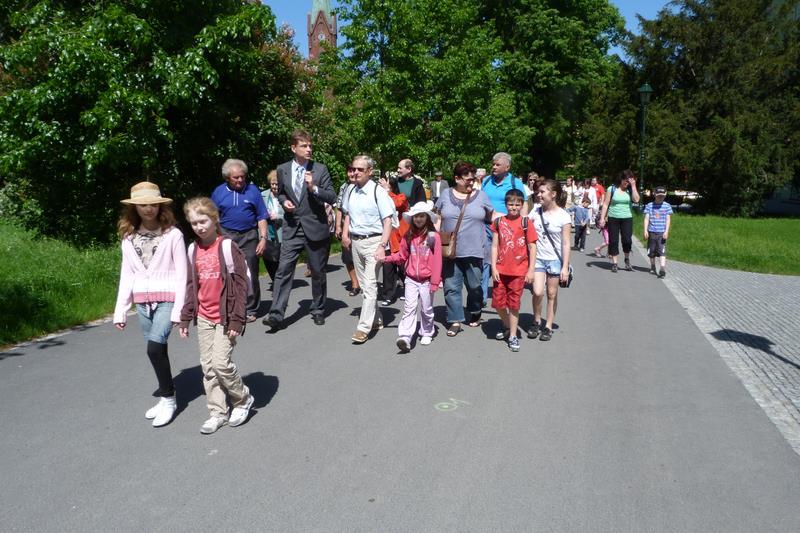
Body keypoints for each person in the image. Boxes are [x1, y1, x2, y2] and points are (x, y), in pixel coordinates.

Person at [179, 197, 255, 435]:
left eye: (203, 221)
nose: (199, 227)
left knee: (221, 364)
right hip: (203, 316)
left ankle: (242, 399)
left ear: (215, 219)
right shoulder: (192, 249)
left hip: (225, 316)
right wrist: (185, 316)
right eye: (194, 223)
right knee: (208, 368)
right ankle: (217, 412)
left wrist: (236, 318)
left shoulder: (227, 247)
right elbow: (192, 285)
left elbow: (241, 284)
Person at [114, 181, 186, 428]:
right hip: (142, 302)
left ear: (159, 205)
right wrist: (121, 310)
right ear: (135, 208)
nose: (148, 209)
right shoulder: (128, 238)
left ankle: (169, 398)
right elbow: (127, 275)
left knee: (153, 349)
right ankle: (167, 395)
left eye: (152, 204)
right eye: (142, 205)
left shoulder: (173, 234)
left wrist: (179, 309)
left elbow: (182, 273)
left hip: (167, 299)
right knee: (160, 349)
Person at [264, 130, 337, 328]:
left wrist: (313, 188)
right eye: (304, 146)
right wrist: (284, 201)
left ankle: (318, 308)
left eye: (310, 145)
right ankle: (276, 313)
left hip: (315, 228)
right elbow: (280, 194)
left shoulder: (320, 169)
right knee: (283, 270)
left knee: (318, 272)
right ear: (293, 148)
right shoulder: (282, 169)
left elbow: (332, 196)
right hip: (292, 228)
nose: (309, 149)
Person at [342, 155, 396, 344]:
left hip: (374, 242)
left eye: (360, 169)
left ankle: (363, 328)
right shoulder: (350, 190)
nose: (355, 172)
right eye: (353, 168)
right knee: (365, 285)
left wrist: (382, 245)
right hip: (356, 242)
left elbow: (388, 220)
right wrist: (345, 234)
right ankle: (377, 319)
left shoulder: (378, 192)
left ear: (369, 172)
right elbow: (347, 214)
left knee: (371, 284)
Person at [435, 161, 494, 335]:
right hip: (450, 250)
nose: (471, 182)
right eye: (467, 179)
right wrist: (434, 238)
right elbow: (438, 218)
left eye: (473, 179)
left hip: (475, 249)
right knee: (451, 286)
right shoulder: (445, 194)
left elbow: (491, 216)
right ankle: (455, 320)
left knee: (475, 285)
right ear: (456, 178)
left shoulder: (481, 196)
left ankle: (475, 309)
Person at [380, 201, 442, 353]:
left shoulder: (434, 237)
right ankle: (405, 337)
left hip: (427, 281)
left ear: (427, 218)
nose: (418, 219)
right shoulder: (408, 236)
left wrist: (435, 281)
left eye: (421, 216)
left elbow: (438, 261)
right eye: (415, 216)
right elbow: (401, 257)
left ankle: (427, 331)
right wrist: (386, 259)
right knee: (409, 308)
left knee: (426, 309)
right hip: (411, 279)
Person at [211, 159, 267, 322]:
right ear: (227, 178)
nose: (240, 180)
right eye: (236, 178)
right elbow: (213, 217)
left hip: (249, 235)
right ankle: (232, 306)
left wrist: (263, 238)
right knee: (228, 273)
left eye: (242, 177)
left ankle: (251, 308)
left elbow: (262, 217)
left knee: (250, 272)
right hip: (227, 235)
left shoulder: (253, 191)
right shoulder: (219, 192)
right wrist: (216, 238)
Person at [491, 189, 538, 352]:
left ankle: (512, 335)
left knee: (514, 305)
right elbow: (495, 246)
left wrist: (531, 270)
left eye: (517, 204)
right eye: (511, 204)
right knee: (497, 303)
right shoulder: (498, 222)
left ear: (522, 205)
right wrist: (493, 266)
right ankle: (507, 325)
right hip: (500, 270)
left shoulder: (526, 223)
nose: (514, 207)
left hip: (519, 271)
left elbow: (532, 247)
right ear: (505, 205)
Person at [480, 152, 528, 306]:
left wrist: (522, 225)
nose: (493, 167)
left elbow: (523, 204)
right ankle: (481, 297)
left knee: (504, 259)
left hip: (507, 229)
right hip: (486, 226)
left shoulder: (515, 183)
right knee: (485, 260)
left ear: (507, 166)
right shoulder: (486, 181)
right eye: (493, 164)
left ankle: (507, 291)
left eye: (497, 164)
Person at [528, 179, 572, 341]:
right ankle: (536, 320)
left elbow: (566, 243)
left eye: (542, 192)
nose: (538, 195)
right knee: (538, 291)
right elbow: (525, 227)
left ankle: (548, 326)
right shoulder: (535, 212)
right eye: (538, 192)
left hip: (555, 260)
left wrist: (565, 267)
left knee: (552, 294)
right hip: (538, 258)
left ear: (553, 195)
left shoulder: (563, 216)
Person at [598, 169, 640, 272]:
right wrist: (602, 218)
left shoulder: (630, 190)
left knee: (627, 240)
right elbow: (606, 204)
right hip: (613, 217)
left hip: (627, 218)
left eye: (629, 181)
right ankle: (615, 263)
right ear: (621, 179)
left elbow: (636, 200)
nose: (627, 183)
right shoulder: (611, 189)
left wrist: (633, 186)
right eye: (625, 180)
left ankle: (627, 259)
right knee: (613, 241)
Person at [378, 175, 409, 305]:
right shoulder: (379, 198)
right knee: (387, 268)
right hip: (387, 239)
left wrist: (386, 190)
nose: (384, 189)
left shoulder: (401, 196)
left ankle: (407, 291)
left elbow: (398, 204)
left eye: (388, 186)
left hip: (400, 239)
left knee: (403, 267)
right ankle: (388, 295)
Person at [335, 165, 361, 297]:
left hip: (361, 228)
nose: (352, 174)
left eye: (354, 171)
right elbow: (339, 208)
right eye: (349, 171)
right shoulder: (343, 187)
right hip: (347, 228)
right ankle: (355, 284)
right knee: (347, 257)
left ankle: (365, 282)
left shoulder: (365, 186)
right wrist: (338, 226)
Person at [260, 170, 284, 288]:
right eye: (273, 184)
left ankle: (280, 280)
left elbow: (293, 214)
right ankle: (275, 280)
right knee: (269, 258)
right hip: (267, 230)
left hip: (282, 231)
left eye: (277, 184)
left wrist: (279, 216)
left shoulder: (286, 196)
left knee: (281, 259)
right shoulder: (263, 195)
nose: (275, 186)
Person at [644, 186, 673, 278]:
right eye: (659, 196)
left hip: (662, 233)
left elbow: (668, 219)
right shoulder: (649, 205)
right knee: (651, 251)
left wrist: (666, 231)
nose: (660, 197)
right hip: (652, 232)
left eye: (662, 196)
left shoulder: (667, 206)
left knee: (662, 251)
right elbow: (646, 219)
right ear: (654, 195)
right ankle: (652, 266)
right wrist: (645, 230)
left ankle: (662, 268)